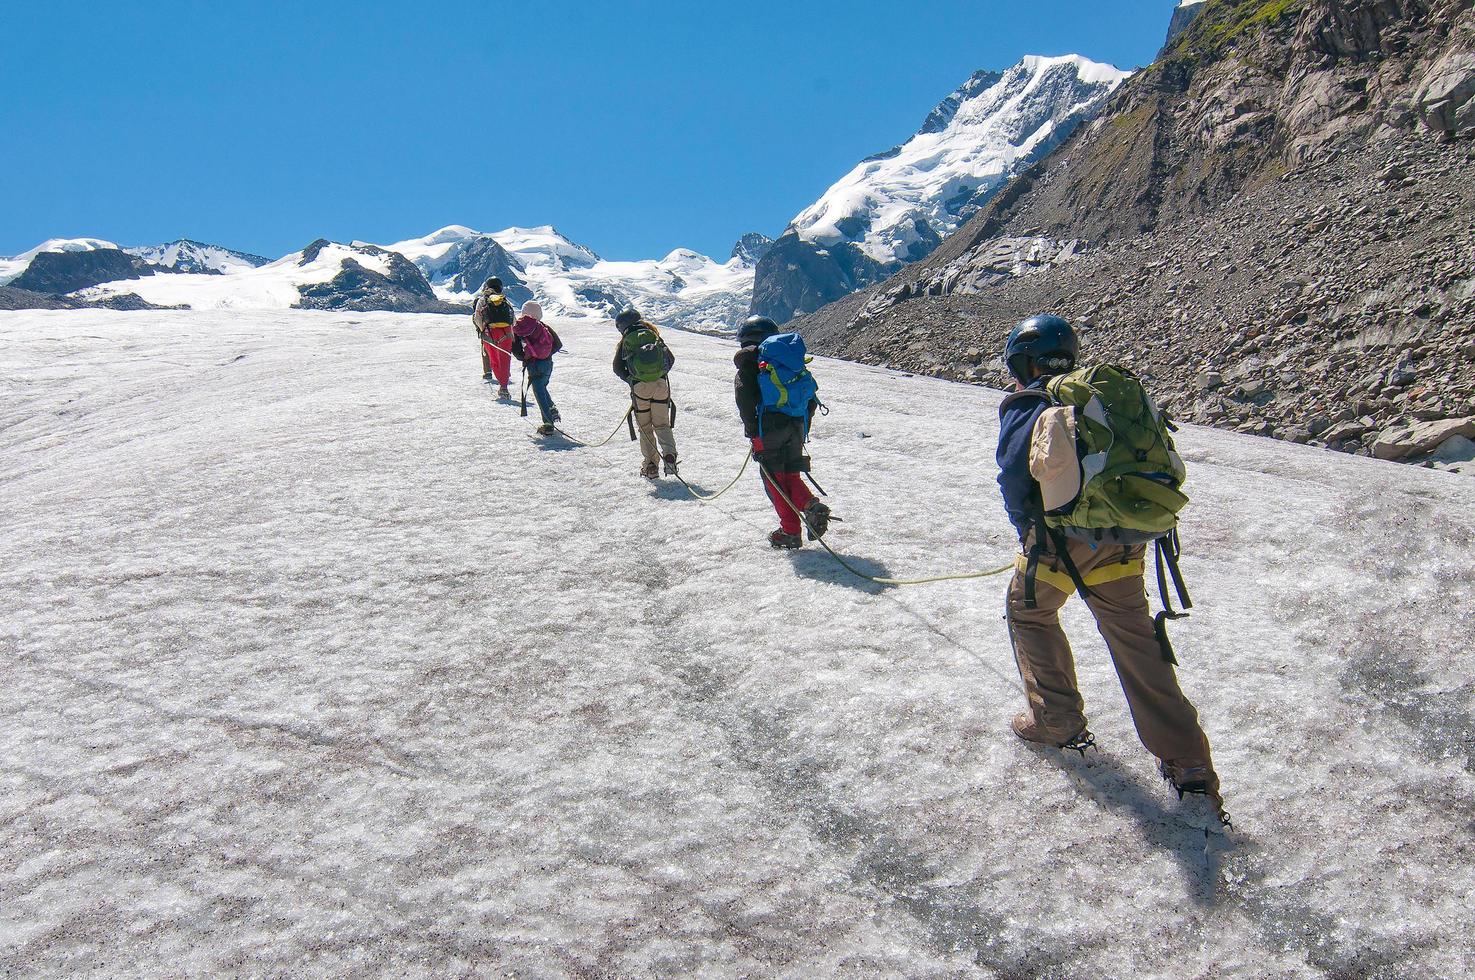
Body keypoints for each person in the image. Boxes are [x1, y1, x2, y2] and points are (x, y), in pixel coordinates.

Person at [995, 313, 1222, 815]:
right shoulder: (1095, 398)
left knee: (1028, 613)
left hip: (1058, 544)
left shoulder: (1031, 402)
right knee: (1135, 639)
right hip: (1123, 540)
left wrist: (1027, 528)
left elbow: (1014, 474)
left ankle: (1057, 720)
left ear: (1021, 360)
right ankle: (1190, 766)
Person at [733, 315, 831, 549]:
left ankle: (789, 532)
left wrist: (752, 431)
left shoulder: (750, 361)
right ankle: (810, 506)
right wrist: (801, 424)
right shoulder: (789, 360)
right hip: (796, 424)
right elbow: (810, 396)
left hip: (768, 427)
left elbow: (744, 397)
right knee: (790, 475)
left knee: (774, 480)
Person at [612, 308, 679, 479]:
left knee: (645, 427)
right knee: (662, 424)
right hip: (661, 386)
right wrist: (659, 375)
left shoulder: (627, 340)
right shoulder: (652, 334)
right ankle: (670, 457)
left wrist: (632, 380)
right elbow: (670, 359)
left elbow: (617, 368)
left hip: (639, 389)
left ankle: (650, 465)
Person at [512, 301, 561, 435]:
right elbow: (558, 344)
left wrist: (527, 356)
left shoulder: (519, 328)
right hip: (547, 363)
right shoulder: (543, 327)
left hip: (533, 365)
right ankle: (552, 410)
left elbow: (516, 349)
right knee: (542, 387)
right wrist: (544, 353)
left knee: (539, 392)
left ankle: (548, 424)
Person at [472, 277, 516, 397]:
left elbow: (477, 317)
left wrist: (483, 330)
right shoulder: (505, 300)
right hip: (506, 333)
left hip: (490, 333)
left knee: (494, 360)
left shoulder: (483, 299)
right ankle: (504, 386)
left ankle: (501, 384)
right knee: (505, 359)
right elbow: (513, 318)